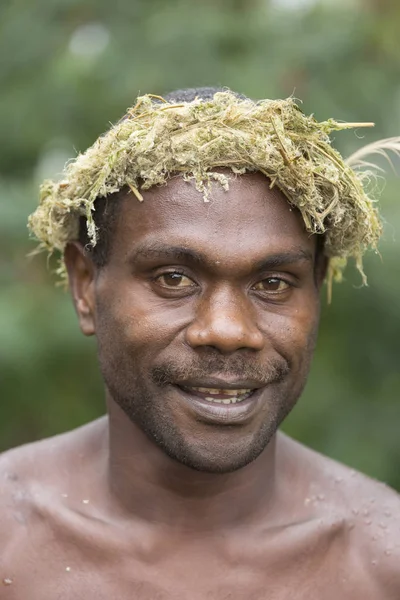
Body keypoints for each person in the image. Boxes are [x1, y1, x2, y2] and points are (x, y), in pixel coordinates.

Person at [1, 87, 399, 599]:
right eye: (173, 278)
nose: (229, 331)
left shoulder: (379, 563)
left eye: (273, 283)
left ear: (318, 286)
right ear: (84, 285)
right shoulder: (11, 540)